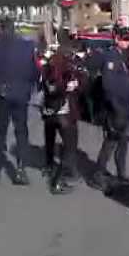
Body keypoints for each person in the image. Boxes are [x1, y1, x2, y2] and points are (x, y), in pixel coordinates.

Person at [0, 16, 39, 186]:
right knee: (21, 132)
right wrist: (26, 87)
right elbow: (35, 72)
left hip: (1, 95)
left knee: (0, 133)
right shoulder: (28, 47)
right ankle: (21, 170)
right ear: (14, 28)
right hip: (21, 96)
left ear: (1, 29)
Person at [90, 24, 129, 191]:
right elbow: (108, 85)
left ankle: (121, 174)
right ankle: (98, 174)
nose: (128, 42)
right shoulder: (110, 56)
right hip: (115, 108)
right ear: (116, 39)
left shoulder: (125, 56)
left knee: (123, 143)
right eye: (125, 39)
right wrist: (116, 108)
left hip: (126, 106)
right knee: (110, 142)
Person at [40, 47, 81, 194]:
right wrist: (73, 85)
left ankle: (49, 167)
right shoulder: (67, 70)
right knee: (70, 147)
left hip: (49, 111)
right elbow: (71, 88)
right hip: (65, 113)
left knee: (50, 141)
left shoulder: (46, 69)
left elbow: (46, 88)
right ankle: (58, 180)